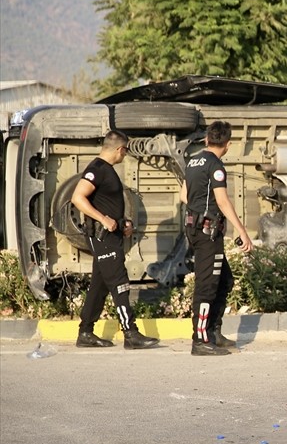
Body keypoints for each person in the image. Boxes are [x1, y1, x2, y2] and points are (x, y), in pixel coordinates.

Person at [71, 131, 160, 349]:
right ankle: (131, 334)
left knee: (99, 286)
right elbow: (77, 197)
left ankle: (85, 333)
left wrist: (123, 223)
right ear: (120, 149)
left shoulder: (106, 170)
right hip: (103, 238)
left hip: (112, 234)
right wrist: (103, 219)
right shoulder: (97, 169)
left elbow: (107, 205)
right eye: (126, 150)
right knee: (120, 283)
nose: (126, 155)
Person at [180, 121, 254, 356]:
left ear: (206, 140)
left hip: (195, 228)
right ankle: (200, 339)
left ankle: (213, 333)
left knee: (224, 280)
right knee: (206, 286)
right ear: (228, 144)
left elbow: (184, 195)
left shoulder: (193, 161)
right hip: (207, 232)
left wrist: (199, 208)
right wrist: (241, 230)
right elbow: (222, 201)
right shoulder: (216, 165)